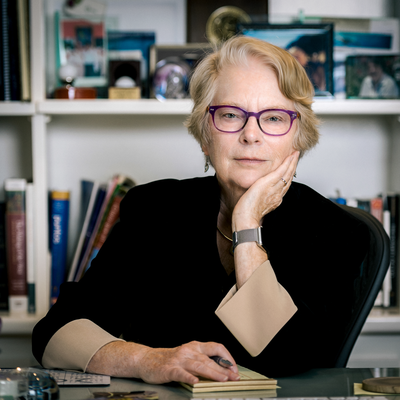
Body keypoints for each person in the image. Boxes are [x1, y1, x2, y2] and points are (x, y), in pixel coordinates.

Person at [32, 35, 368, 383]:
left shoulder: (337, 233)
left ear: (298, 135)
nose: (251, 134)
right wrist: (147, 360)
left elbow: (286, 357)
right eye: (230, 114)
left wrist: (246, 224)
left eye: (273, 118)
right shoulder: (153, 209)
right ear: (205, 136)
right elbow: (55, 332)